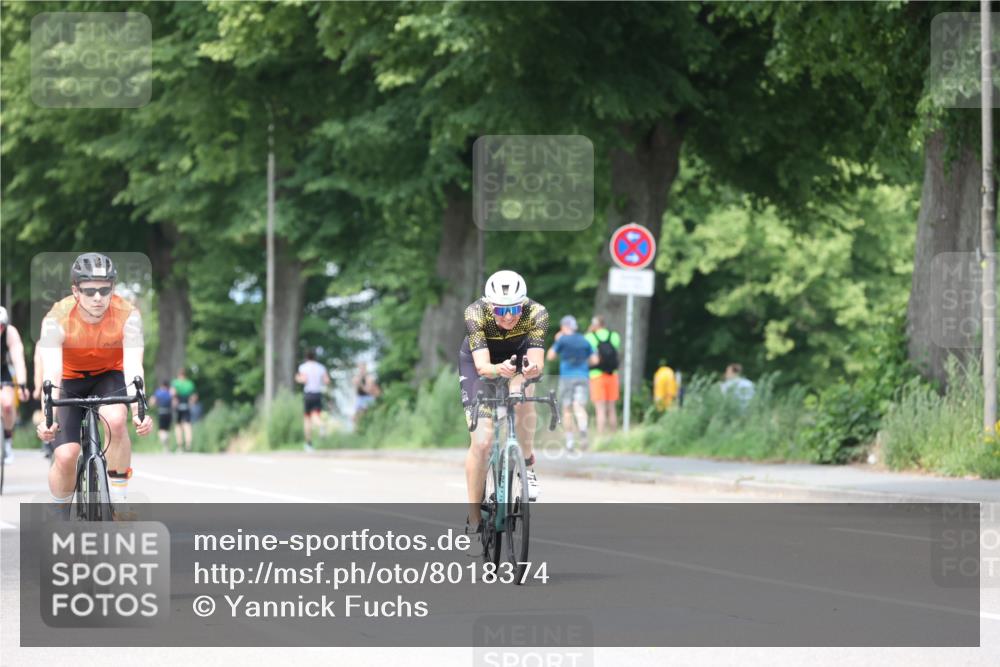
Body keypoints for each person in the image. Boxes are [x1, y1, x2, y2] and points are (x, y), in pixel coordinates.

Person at [35, 253, 154, 518]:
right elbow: (52, 374)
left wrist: (138, 411)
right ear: (75, 291)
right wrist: (48, 417)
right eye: (90, 291)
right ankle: (58, 511)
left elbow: (134, 366)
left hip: (107, 374)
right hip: (68, 379)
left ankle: (119, 502)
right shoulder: (56, 319)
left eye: (105, 289)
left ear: (113, 288)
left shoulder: (128, 315)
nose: (98, 297)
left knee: (116, 419)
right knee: (66, 455)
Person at [460, 270, 547, 557]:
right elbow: (484, 367)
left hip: (517, 364)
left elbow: (535, 363)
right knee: (482, 443)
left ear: (523, 305)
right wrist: (499, 370)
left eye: (514, 309)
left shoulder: (536, 313)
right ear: (490, 305)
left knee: (524, 395)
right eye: (501, 309)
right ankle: (474, 522)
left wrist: (529, 372)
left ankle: (526, 463)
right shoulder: (475, 313)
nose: (508, 316)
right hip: (480, 367)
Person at [546, 315, 594, 451]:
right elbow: (594, 360)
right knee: (579, 406)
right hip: (583, 376)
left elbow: (550, 356)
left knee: (567, 409)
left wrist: (557, 340)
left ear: (563, 327)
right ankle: (583, 428)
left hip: (567, 377)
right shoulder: (584, 340)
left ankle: (570, 442)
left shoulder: (562, 339)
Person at [1, 306, 29, 464]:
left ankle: (7, 440)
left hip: (3, 371)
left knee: (7, 404)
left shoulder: (10, 333)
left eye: (1, 327)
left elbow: (18, 360)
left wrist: (22, 385)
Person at [584, 315, 621, 434]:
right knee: (611, 408)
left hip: (596, 375)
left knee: (600, 409)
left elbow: (586, 351)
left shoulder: (589, 336)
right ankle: (614, 436)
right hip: (612, 375)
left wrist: (590, 330)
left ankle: (600, 438)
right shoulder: (614, 336)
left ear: (594, 325)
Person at [296, 349, 330, 452]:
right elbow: (326, 381)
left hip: (308, 394)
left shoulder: (303, 367)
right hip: (317, 394)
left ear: (306, 357)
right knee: (316, 415)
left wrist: (297, 378)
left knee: (307, 420)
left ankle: (309, 444)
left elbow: (304, 380)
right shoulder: (321, 367)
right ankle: (321, 424)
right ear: (315, 357)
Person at [171, 368, 198, 452]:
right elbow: (194, 396)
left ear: (178, 375)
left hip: (178, 406)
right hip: (186, 405)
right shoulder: (189, 383)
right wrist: (191, 403)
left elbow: (172, 393)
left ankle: (180, 446)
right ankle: (188, 445)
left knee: (178, 426)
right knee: (187, 426)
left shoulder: (175, 383)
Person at [352, 361, 380, 428]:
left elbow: (368, 390)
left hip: (368, 397)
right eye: (360, 368)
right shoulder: (356, 378)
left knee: (364, 413)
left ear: (365, 368)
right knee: (355, 417)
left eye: (362, 368)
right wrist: (357, 384)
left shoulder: (369, 378)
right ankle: (358, 430)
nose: (361, 370)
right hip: (360, 398)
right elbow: (356, 391)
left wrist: (360, 384)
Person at [150, 380, 174, 451]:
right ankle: (167, 446)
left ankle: (164, 444)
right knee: (167, 430)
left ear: (162, 385)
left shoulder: (158, 392)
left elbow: (152, 402)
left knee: (161, 430)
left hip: (161, 412)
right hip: (169, 413)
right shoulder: (170, 392)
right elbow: (174, 403)